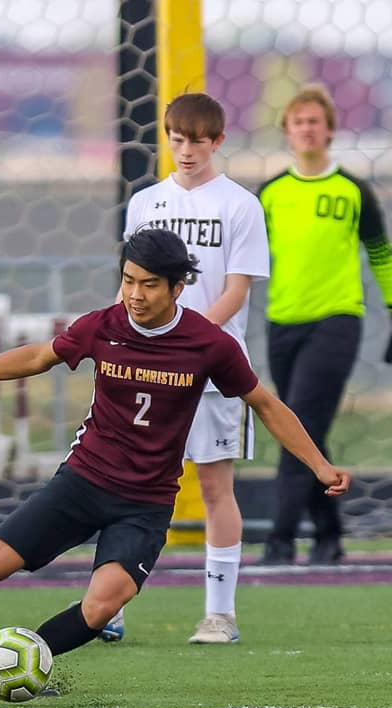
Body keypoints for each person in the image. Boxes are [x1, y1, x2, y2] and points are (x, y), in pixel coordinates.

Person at [0, 229, 349, 672]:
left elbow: (266, 406)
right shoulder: (102, 326)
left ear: (177, 286)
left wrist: (320, 466)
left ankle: (31, 658)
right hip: (83, 482)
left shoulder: (209, 344)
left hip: (145, 503)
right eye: (129, 280)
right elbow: (38, 357)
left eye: (149, 284)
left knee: (102, 606)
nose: (135, 293)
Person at [112, 92, 270, 645]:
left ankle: (219, 614)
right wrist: (123, 344)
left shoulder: (241, 206)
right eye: (176, 139)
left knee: (214, 486)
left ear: (217, 142)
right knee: (125, 484)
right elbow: (129, 285)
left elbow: (236, 289)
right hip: (147, 371)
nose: (185, 150)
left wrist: (189, 339)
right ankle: (107, 606)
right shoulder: (144, 203)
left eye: (196, 141)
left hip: (212, 371)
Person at [258, 84, 392, 565]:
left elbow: (382, 255)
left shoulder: (352, 190)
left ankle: (280, 541)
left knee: (295, 424)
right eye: (298, 121)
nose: (307, 128)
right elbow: (243, 263)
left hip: (337, 321)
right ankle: (330, 535)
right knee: (308, 433)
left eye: (314, 121)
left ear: (329, 130)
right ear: (287, 131)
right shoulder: (269, 194)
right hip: (282, 323)